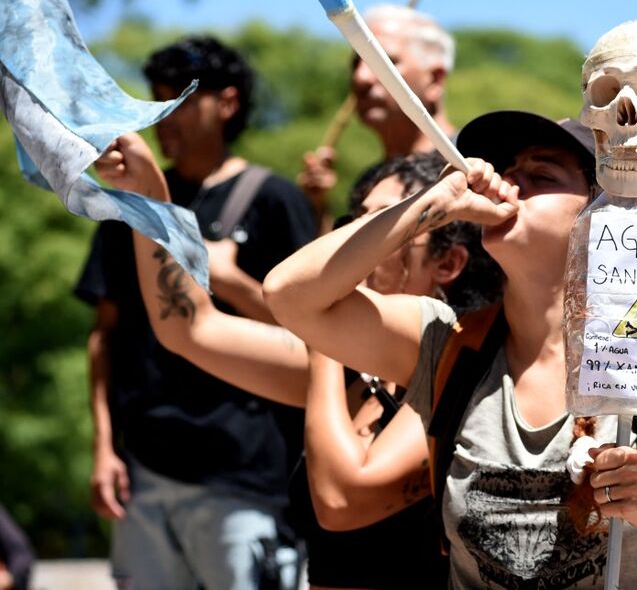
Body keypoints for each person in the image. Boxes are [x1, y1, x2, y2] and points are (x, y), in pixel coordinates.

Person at [265, 110, 637, 588]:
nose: (509, 183)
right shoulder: (447, 343)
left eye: (541, 175)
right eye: (506, 168)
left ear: (599, 218)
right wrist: (433, 203)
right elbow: (290, 296)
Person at [97, 135, 499, 590]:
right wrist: (149, 196)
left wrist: (321, 325)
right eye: (358, 219)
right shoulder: (350, 373)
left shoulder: (462, 368)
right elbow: (189, 329)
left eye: (393, 222)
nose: (358, 236)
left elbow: (343, 499)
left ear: (447, 263)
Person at [76, 36, 315, 590]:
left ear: (227, 103)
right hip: (145, 468)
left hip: (243, 473)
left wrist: (230, 281)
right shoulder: (127, 199)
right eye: (157, 99)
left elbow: (318, 340)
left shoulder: (275, 200)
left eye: (179, 100)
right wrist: (103, 446)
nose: (164, 116)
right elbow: (103, 334)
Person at [299, 4, 457, 229]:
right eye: (356, 62)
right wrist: (318, 205)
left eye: (383, 61)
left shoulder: (471, 168)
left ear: (435, 79)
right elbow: (352, 263)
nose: (361, 77)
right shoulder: (370, 181)